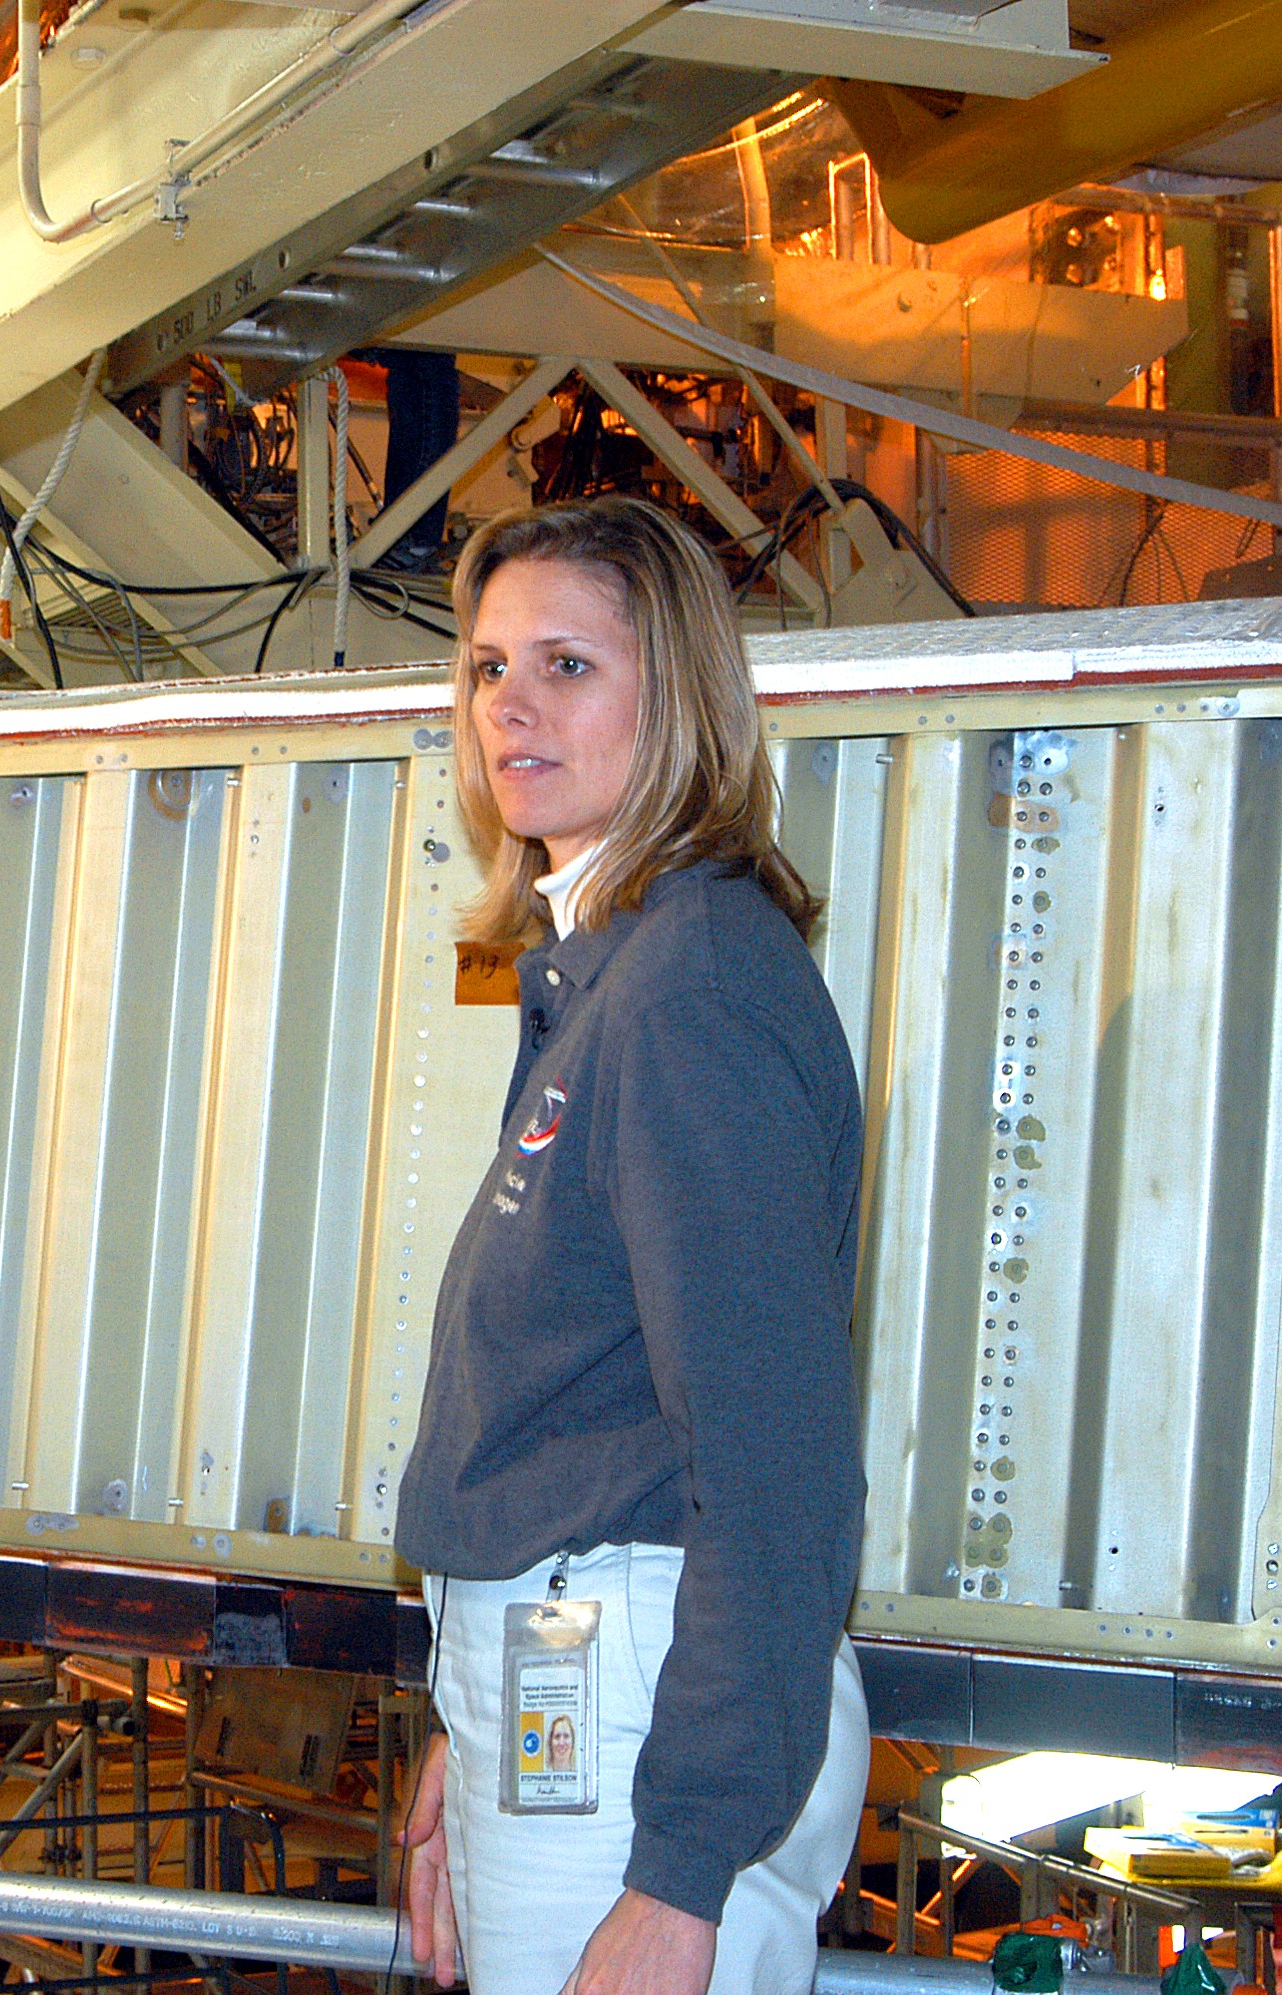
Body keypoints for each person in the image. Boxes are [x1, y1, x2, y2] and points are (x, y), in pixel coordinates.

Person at [394, 496, 871, 1995]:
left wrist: (683, 1870)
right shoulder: (610, 973)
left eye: (567, 665)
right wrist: (473, 1728)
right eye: (488, 667)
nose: (509, 705)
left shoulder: (688, 997)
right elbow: (585, 1406)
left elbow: (773, 1461)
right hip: (573, 1698)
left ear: (677, 701)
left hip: (639, 1721)